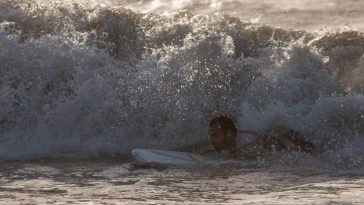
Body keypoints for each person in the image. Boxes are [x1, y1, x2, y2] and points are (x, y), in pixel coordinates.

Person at [208, 116, 315, 158]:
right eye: (210, 135)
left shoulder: (249, 146)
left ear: (229, 134)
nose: (211, 140)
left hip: (294, 143)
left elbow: (278, 152)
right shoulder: (236, 141)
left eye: (215, 135)